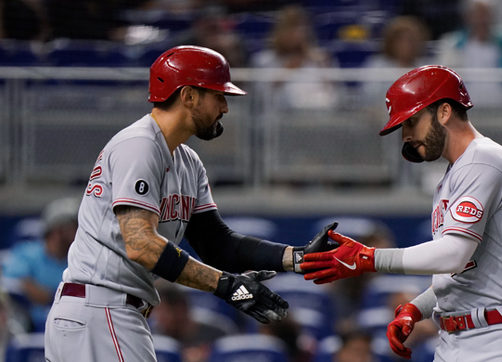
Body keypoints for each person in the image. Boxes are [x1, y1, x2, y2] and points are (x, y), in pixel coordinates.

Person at [43, 45, 337, 362]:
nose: (225, 107)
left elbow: (216, 244)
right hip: (100, 311)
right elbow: (141, 245)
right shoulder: (139, 145)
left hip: (109, 313)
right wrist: (227, 286)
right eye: (218, 96)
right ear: (188, 96)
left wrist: (296, 257)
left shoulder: (187, 160)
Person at [301, 65, 502, 361]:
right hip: (455, 341)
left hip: (500, 340)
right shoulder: (452, 176)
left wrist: (368, 258)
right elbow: (460, 272)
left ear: (444, 112)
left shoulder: (484, 159)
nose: (405, 135)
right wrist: (418, 308)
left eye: (412, 122)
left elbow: (454, 253)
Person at [1, 197, 79, 332]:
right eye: (73, 227)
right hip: (26, 325)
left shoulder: (78, 260)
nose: (78, 232)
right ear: (58, 230)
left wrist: (45, 295)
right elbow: (11, 283)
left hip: (71, 325)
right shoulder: (27, 253)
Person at [435, 0, 502, 107]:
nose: (482, 19)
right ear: (468, 16)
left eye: (486, 14)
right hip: (465, 109)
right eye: (478, 14)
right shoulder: (452, 45)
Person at [250, 5, 339, 110]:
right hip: (279, 119)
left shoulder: (320, 58)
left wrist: (324, 66)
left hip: (318, 116)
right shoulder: (264, 60)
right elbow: (259, 97)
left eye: (299, 29)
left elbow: (336, 93)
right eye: (290, 29)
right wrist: (285, 72)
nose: (295, 35)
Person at [362, 16, 433, 105]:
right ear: (391, 42)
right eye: (400, 40)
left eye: (411, 40)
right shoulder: (377, 65)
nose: (406, 45)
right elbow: (368, 96)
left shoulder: (428, 67)